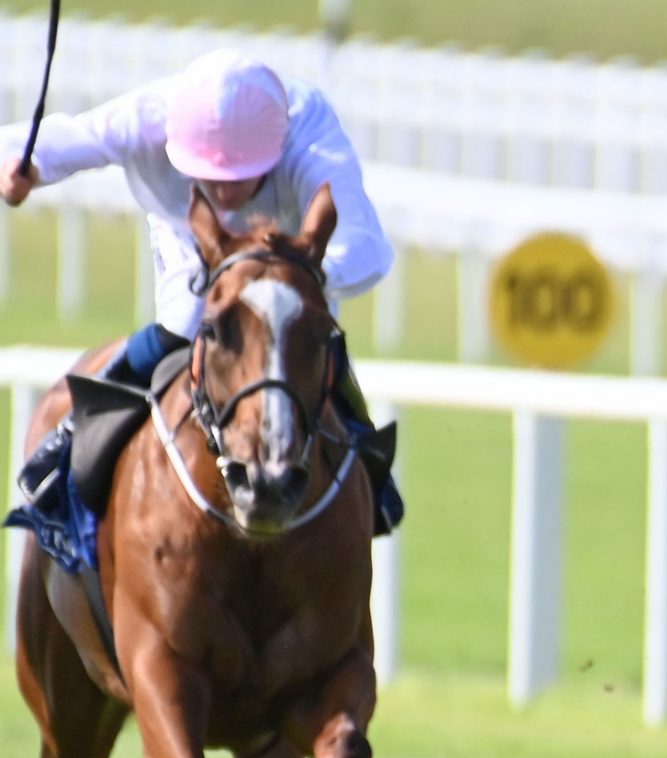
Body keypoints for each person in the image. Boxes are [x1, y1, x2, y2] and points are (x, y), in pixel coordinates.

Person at [0, 48, 400, 530]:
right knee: (184, 331)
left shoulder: (309, 131)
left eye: (238, 177)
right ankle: (68, 437)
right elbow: (59, 140)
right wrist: (23, 169)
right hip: (191, 239)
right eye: (209, 176)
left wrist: (290, 282)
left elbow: (367, 248)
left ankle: (369, 468)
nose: (224, 191)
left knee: (309, 344)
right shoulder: (147, 117)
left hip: (291, 259)